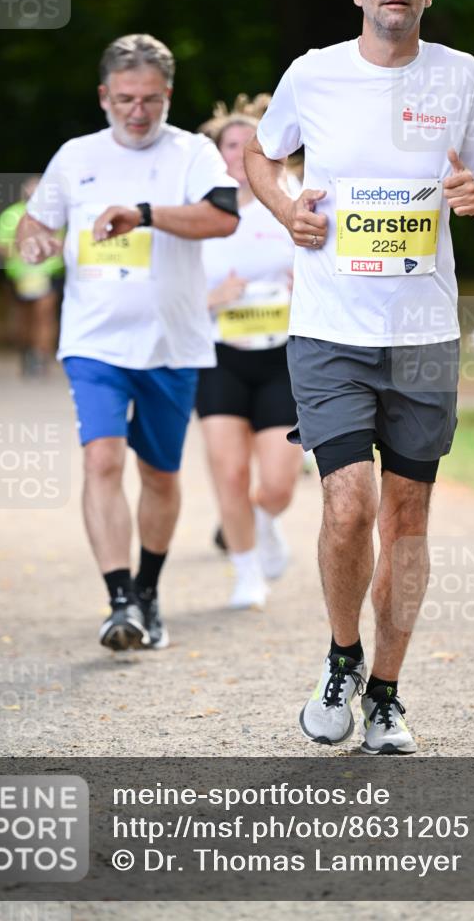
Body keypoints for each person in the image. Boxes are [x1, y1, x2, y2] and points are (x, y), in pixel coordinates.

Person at [244, 0, 474, 753]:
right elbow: (259, 155)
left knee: (406, 515)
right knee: (346, 506)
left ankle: (387, 695)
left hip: (424, 332)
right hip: (328, 327)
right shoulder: (312, 74)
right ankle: (341, 656)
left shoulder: (460, 76)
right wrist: (285, 207)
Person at [16, 34, 238, 651]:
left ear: (168, 96)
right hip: (94, 342)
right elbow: (39, 222)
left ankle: (148, 589)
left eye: (149, 100)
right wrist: (32, 240)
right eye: (124, 99)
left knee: (160, 476)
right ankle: (119, 601)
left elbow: (223, 216)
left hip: (173, 343)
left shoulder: (191, 152)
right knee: (101, 459)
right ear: (103, 96)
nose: (136, 112)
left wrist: (145, 212)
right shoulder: (75, 155)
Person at [197, 96, 303, 609]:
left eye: (252, 145)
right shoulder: (197, 210)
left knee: (279, 484)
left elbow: (336, 270)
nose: (242, 154)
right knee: (229, 472)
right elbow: (164, 291)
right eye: (232, 145)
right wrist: (210, 298)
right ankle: (245, 573)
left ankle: (264, 522)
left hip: (282, 357)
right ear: (217, 154)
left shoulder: (296, 199)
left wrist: (304, 284)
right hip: (219, 354)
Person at [0, 175, 65, 377]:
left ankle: (41, 358)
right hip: (21, 274)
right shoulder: (12, 214)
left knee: (44, 316)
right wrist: (18, 251)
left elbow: (66, 241)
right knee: (24, 318)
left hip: (48, 273)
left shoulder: (55, 214)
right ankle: (27, 353)